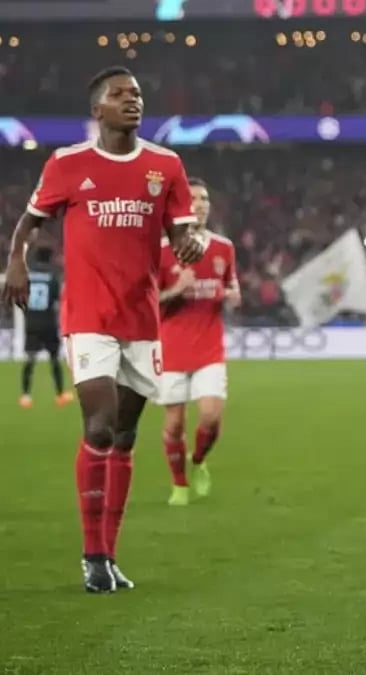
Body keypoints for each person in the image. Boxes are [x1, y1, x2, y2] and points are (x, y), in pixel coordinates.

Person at [2, 65, 203, 593]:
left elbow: (184, 231)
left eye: (136, 93)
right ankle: (92, 556)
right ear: (98, 110)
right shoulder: (68, 164)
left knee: (126, 436)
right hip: (88, 316)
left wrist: (192, 244)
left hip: (142, 318)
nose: (132, 100)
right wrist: (16, 261)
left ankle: (110, 555)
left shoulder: (166, 165)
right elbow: (30, 221)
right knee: (99, 427)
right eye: (119, 95)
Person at [157, 177, 240, 506]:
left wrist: (232, 295)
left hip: (209, 347)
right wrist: (177, 290)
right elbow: (146, 302)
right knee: (174, 424)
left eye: (204, 198)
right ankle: (179, 485)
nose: (201, 204)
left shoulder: (224, 248)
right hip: (171, 348)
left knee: (210, 417)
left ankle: (199, 459)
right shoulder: (161, 250)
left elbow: (232, 286)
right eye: (193, 198)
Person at [17, 246, 72, 409]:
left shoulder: (27, 276)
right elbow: (57, 300)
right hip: (48, 323)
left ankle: (25, 396)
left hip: (32, 323)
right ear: (49, 258)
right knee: (54, 359)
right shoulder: (52, 277)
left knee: (29, 359)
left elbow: (21, 298)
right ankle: (60, 395)